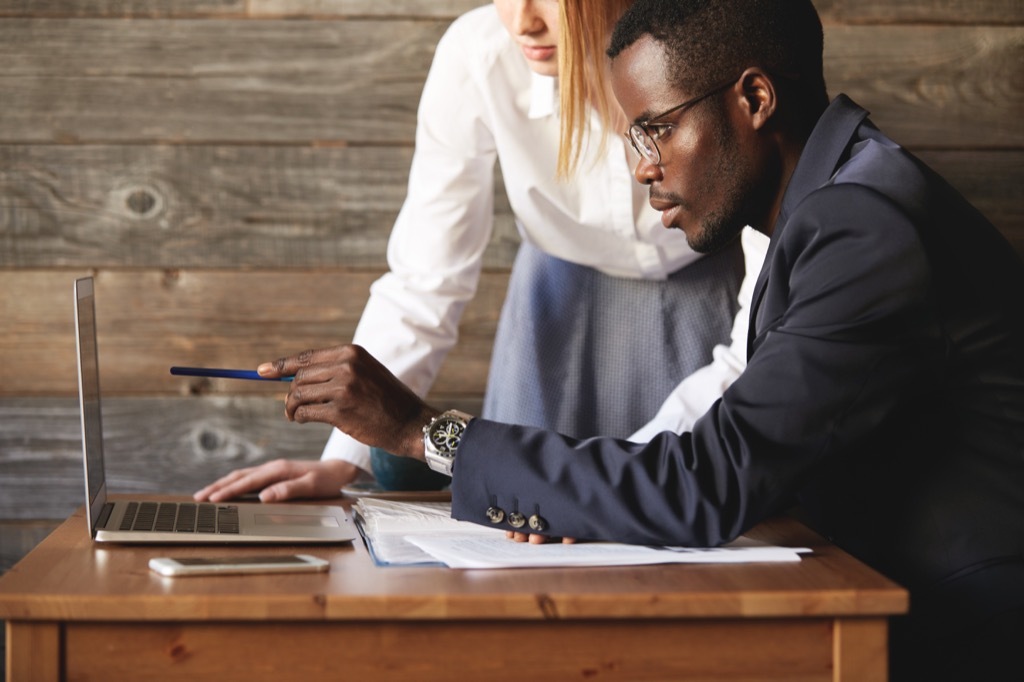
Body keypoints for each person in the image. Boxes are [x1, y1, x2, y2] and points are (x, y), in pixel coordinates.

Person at [248, 0, 1024, 678]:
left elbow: (704, 481)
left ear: (755, 97)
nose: (644, 169)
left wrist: (423, 431)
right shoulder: (834, 199)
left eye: (656, 130)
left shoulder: (862, 227)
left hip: (963, 625)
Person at [195, 0, 766, 503]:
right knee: (527, 535)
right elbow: (425, 280)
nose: (524, 19)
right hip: (555, 319)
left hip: (716, 305)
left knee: (693, 526)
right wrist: (345, 456)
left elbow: (748, 357)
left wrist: (611, 488)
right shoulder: (478, 55)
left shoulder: (713, 45)